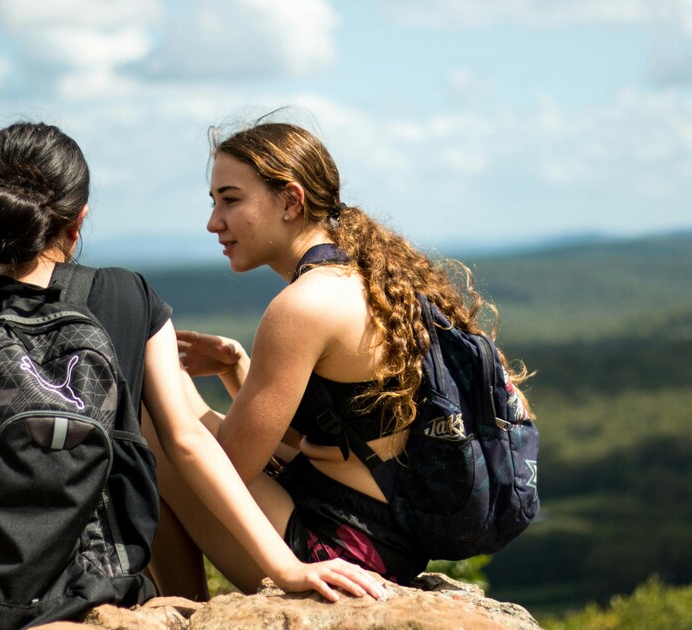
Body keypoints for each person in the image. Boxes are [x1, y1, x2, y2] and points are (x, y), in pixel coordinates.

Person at [0, 122, 384, 629]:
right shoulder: (129, 296)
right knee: (149, 413)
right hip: (95, 580)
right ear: (78, 222)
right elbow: (186, 441)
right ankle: (184, 602)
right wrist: (285, 569)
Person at [150, 118, 530, 598]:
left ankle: (179, 611)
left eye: (230, 200)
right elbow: (333, 435)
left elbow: (230, 465)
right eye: (214, 202)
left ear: (290, 200)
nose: (214, 222)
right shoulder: (368, 279)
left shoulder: (303, 305)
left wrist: (170, 386)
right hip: (381, 539)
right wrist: (236, 368)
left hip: (335, 550)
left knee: (152, 419)